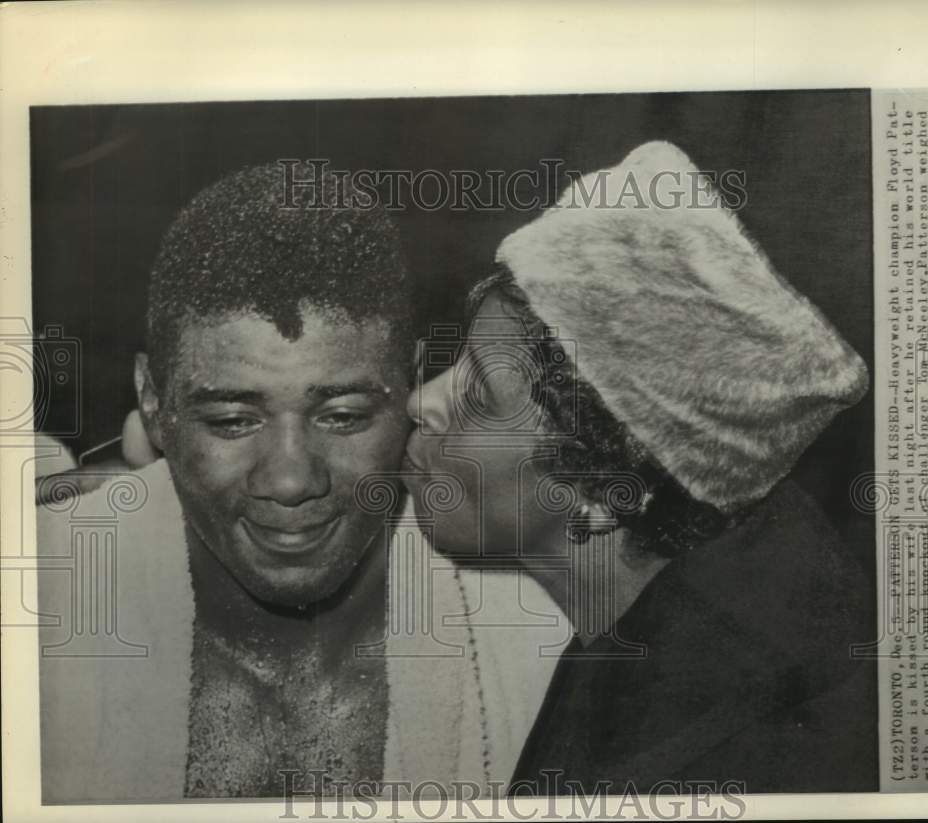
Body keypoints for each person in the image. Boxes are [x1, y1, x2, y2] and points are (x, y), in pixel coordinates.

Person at [36, 163, 564, 802]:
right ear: (153, 404)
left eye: (343, 416)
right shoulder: (43, 603)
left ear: (410, 387)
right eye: (233, 420)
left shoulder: (538, 632)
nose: (290, 480)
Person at [403, 141, 878, 793]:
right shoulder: (705, 606)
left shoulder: (711, 749)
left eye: (478, 395)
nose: (419, 400)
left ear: (603, 493)